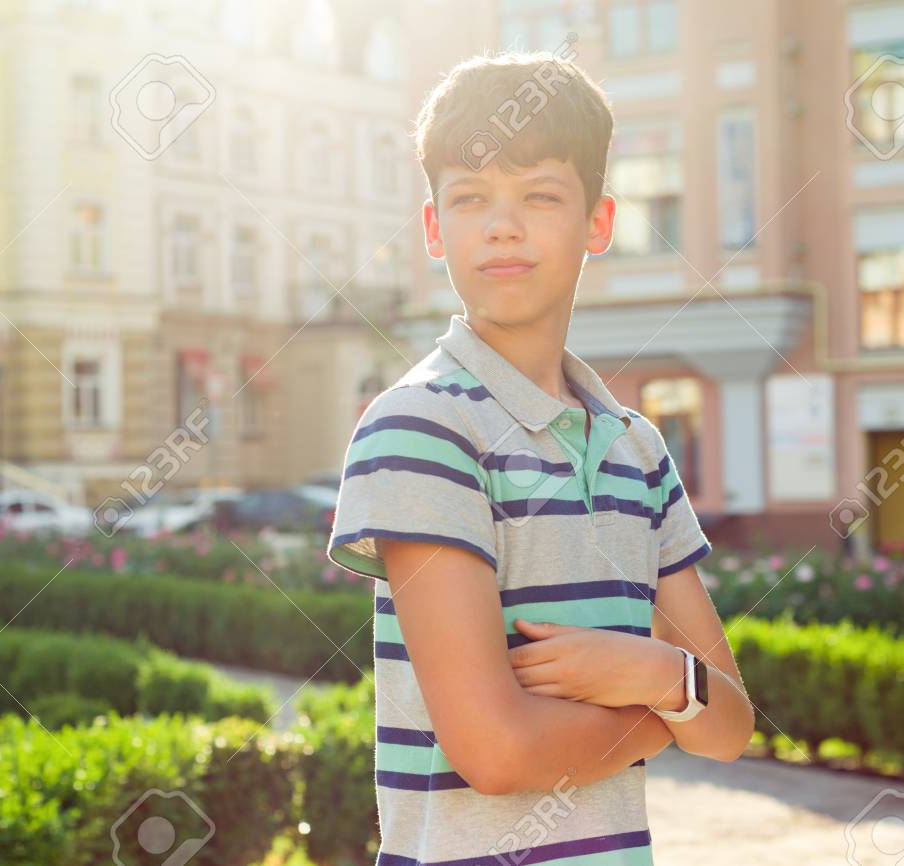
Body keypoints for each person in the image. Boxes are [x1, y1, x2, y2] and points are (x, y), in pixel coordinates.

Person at [326, 51, 755, 866]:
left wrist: (658, 673)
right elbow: (496, 754)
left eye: (541, 196)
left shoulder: (636, 445)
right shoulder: (419, 429)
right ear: (432, 228)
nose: (502, 226)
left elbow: (731, 728)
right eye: (471, 198)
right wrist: (666, 707)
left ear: (599, 222)